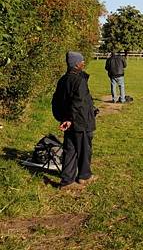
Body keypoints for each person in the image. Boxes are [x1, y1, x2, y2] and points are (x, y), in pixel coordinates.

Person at [52, 51, 98, 190]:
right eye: (82, 61)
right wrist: (70, 119)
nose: (83, 63)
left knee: (70, 150)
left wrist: (62, 117)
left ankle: (66, 180)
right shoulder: (79, 80)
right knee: (84, 149)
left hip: (69, 121)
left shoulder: (63, 79)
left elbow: (56, 101)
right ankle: (84, 176)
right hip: (80, 121)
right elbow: (78, 102)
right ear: (76, 64)